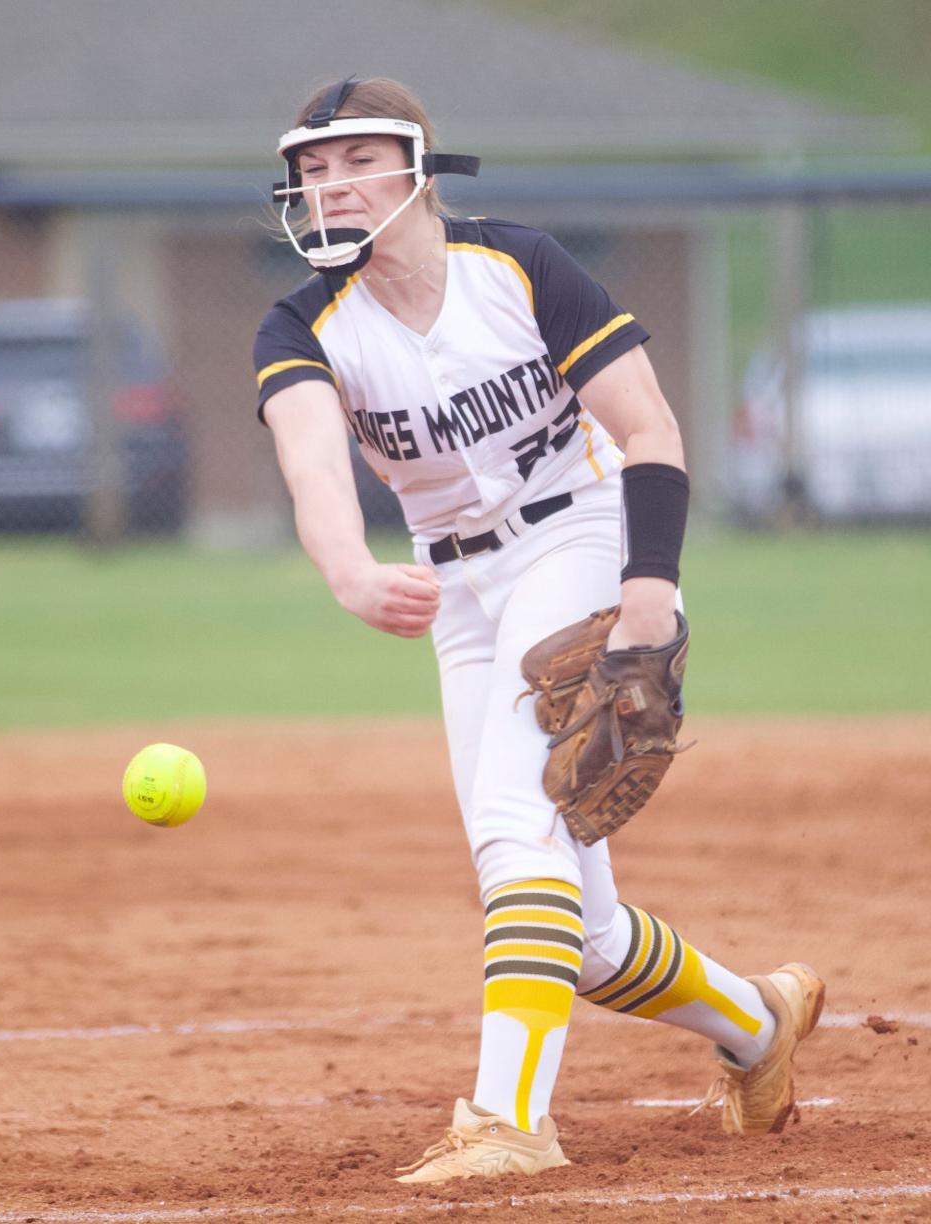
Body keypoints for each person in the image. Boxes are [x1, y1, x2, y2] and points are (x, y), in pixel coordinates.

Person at [253, 76, 825, 1185]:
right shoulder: (303, 324)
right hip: (459, 598)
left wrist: (649, 589)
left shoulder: (516, 267)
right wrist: (345, 570)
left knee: (518, 829)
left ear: (418, 166)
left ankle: (510, 1122)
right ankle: (761, 1027)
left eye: (352, 160)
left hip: (586, 541)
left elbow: (649, 426)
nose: (328, 186)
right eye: (311, 170)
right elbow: (311, 461)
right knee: (588, 933)